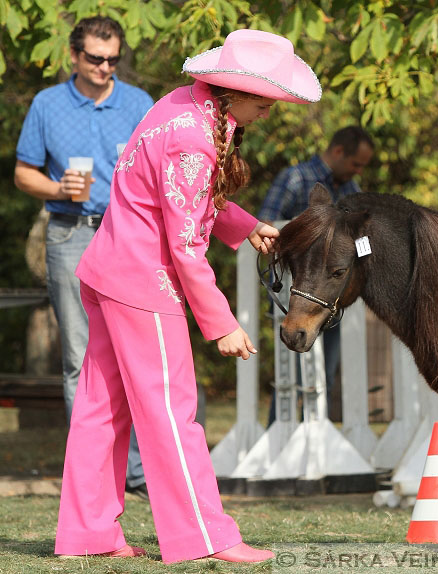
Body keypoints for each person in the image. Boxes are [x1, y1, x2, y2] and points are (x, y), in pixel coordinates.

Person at [53, 29, 321, 563]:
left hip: (109, 270)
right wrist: (221, 322)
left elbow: (176, 199)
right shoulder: (195, 138)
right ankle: (205, 537)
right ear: (237, 93)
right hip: (142, 284)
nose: (267, 112)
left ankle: (87, 534)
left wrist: (244, 225)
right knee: (172, 413)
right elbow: (184, 244)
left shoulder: (180, 106)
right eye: (265, 102)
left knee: (99, 409)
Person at [14, 16, 154, 499]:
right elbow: (22, 173)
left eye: (113, 59)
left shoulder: (138, 104)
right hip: (70, 235)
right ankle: (91, 474)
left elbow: (161, 173)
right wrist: (56, 188)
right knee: (79, 358)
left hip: (129, 238)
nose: (104, 67)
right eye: (95, 58)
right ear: (74, 56)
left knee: (131, 355)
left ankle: (135, 471)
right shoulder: (47, 104)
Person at [258, 126, 374, 420]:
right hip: (295, 292)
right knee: (291, 376)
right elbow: (264, 226)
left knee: (326, 375)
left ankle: (317, 438)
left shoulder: (350, 189)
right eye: (356, 164)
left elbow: (363, 239)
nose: (357, 171)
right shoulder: (295, 179)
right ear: (338, 152)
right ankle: (279, 433)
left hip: (332, 296)